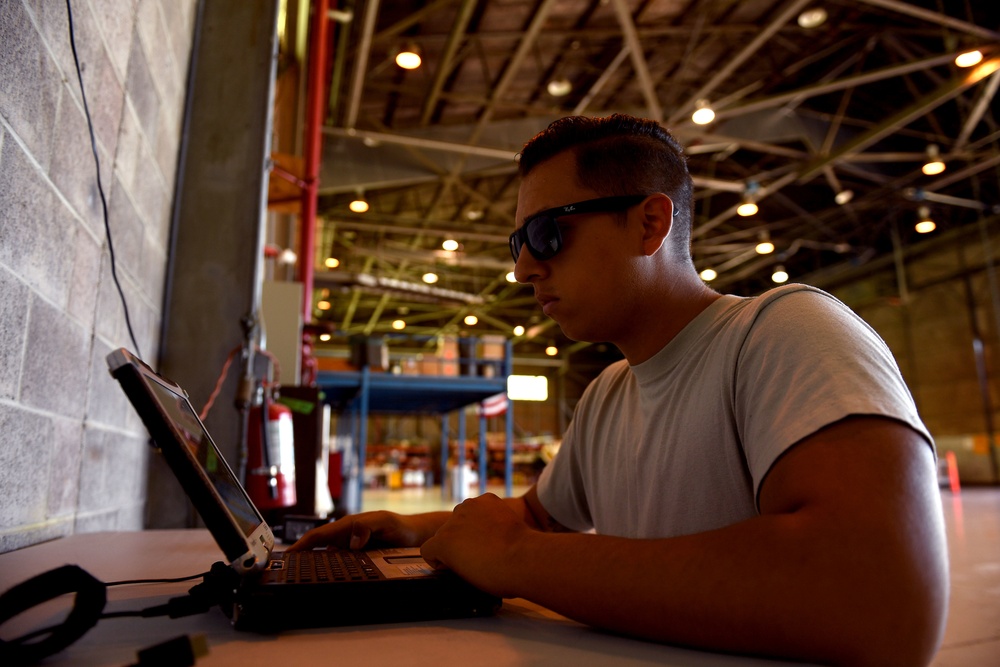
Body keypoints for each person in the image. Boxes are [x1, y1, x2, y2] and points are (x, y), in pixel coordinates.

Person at [291, 114, 949, 666]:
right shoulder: (609, 392)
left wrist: (518, 558)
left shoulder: (783, 331)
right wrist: (409, 531)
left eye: (547, 233)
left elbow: (881, 599)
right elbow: (538, 517)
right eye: (518, 241)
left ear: (649, 224)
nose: (523, 268)